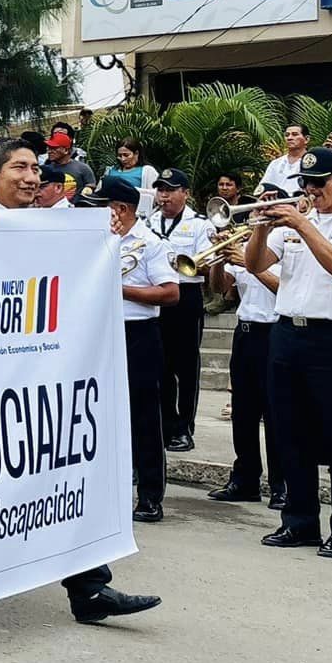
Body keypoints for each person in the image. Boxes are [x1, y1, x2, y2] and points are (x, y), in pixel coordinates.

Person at [0, 138, 162, 620]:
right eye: (18, 168)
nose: (31, 177)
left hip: (41, 378)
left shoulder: (52, 226)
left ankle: (90, 588)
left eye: (34, 169)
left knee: (64, 474)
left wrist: (105, 243)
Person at [245, 148, 332, 558]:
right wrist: (260, 228)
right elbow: (255, 264)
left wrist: (304, 225)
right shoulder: (297, 221)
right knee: (289, 433)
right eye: (306, 183)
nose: (311, 190)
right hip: (288, 333)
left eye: (319, 182)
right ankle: (299, 520)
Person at [80, 177, 177, 520]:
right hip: (99, 331)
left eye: (102, 206)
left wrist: (118, 289)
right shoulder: (93, 240)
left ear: (120, 209)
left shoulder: (150, 243)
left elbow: (170, 292)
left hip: (137, 333)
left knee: (143, 416)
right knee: (98, 413)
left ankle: (150, 496)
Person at [206, 228, 283, 506]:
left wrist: (250, 264)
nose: (255, 217)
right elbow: (219, 287)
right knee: (243, 411)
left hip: (275, 331)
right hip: (246, 332)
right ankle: (245, 479)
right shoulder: (246, 245)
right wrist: (218, 258)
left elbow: (286, 290)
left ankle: (282, 484)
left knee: (276, 412)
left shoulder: (287, 243)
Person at [142, 169, 211, 453]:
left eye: (170, 190)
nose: (164, 196)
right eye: (160, 190)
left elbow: (207, 263)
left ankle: (184, 427)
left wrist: (183, 263)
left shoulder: (199, 224)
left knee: (186, 366)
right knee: (161, 365)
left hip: (186, 296)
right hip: (158, 295)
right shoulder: (149, 222)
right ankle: (167, 424)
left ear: (185, 193)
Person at [107, 139, 158, 216]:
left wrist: (131, 190)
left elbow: (157, 194)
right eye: (120, 156)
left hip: (135, 215)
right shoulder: (111, 170)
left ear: (136, 153)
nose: (123, 159)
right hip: (111, 213)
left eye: (126, 155)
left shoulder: (147, 170)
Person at [260, 125, 310, 196]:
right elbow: (263, 186)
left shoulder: (312, 163)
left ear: (306, 139)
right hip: (276, 201)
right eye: (287, 135)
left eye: (295, 134)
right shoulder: (275, 163)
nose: (289, 138)